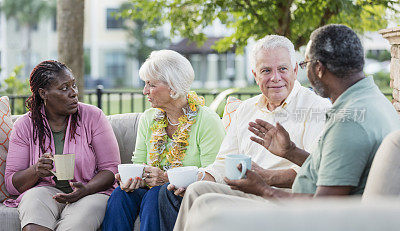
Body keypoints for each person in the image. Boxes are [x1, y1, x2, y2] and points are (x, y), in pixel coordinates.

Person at [173, 24, 400, 231]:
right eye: (266, 71)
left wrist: (263, 188)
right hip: (321, 208)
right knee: (200, 197)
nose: (303, 72)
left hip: (309, 217)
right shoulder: (372, 102)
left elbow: (323, 209)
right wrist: (291, 151)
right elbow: (333, 167)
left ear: (318, 68)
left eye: (304, 64)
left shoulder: (347, 123)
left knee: (205, 209)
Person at [159, 35, 331, 231]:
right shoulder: (247, 109)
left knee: (202, 200)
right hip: (247, 191)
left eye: (282, 69)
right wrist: (196, 177)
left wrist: (266, 177)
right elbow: (224, 163)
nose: (275, 77)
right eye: (266, 70)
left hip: (283, 197)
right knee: (192, 189)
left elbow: (315, 171)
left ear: (294, 70)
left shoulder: (317, 108)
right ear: (255, 75)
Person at [101, 50, 225, 231]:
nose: (145, 91)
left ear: (173, 86)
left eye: (151, 85)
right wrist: (133, 178)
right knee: (121, 195)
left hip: (187, 193)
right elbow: (140, 162)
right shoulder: (149, 118)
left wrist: (166, 178)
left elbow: (213, 174)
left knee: (156, 195)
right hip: (154, 191)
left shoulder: (207, 120)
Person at [4, 60, 121, 231]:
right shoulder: (25, 125)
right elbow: (11, 183)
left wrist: (86, 189)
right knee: (33, 208)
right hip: (45, 190)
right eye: (64, 88)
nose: (73, 93)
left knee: (77, 224)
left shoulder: (93, 117)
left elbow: (111, 169)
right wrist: (36, 170)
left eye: (74, 85)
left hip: (90, 192)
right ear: (43, 93)